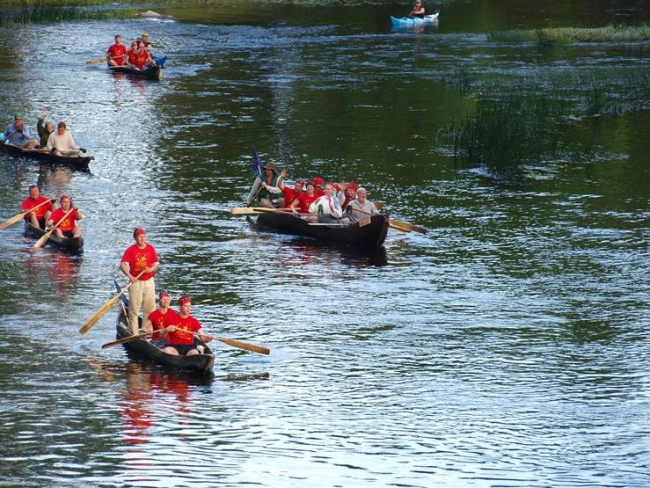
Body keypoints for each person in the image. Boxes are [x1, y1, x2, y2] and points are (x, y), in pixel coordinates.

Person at [120, 228, 159, 335]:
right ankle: (133, 332)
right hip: (136, 282)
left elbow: (156, 264)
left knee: (150, 309)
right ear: (135, 238)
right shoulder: (131, 250)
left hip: (149, 281)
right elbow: (122, 265)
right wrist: (130, 276)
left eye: (143, 236)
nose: (142, 239)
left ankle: (147, 333)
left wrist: (150, 269)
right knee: (134, 309)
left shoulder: (150, 248)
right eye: (139, 237)